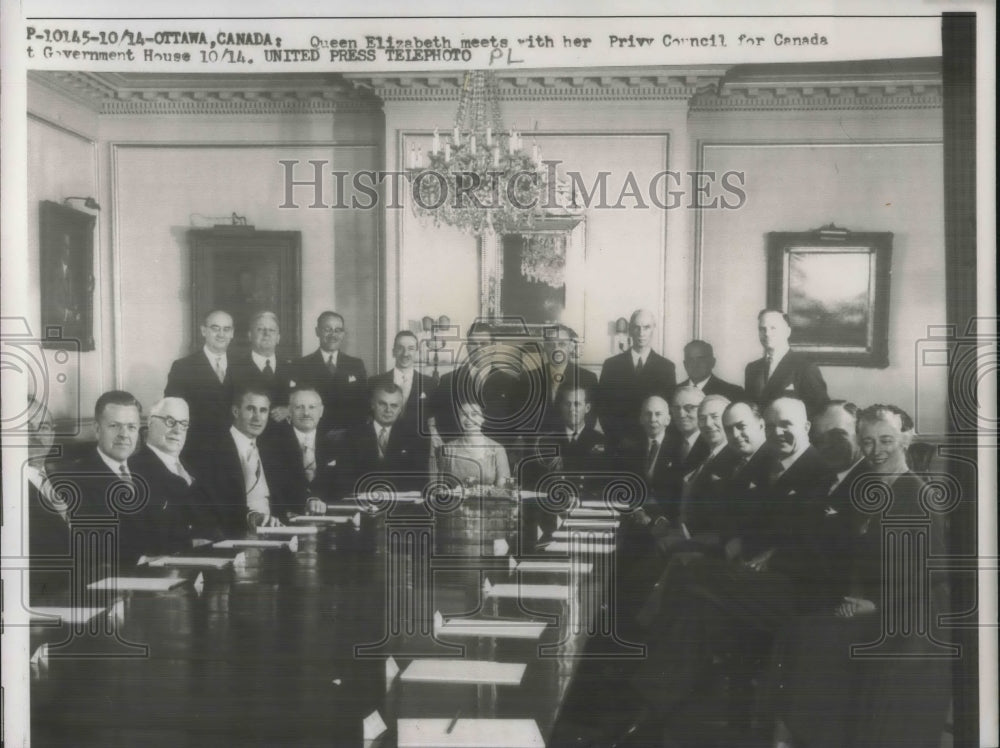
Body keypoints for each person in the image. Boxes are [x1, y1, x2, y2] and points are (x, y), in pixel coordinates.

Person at [771, 404, 951, 748]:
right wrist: (852, 599)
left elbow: (935, 570)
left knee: (817, 640)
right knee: (798, 631)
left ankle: (800, 737)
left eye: (886, 440)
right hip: (869, 604)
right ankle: (792, 736)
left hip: (911, 613)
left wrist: (874, 605)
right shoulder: (867, 488)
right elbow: (856, 557)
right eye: (867, 442)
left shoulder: (919, 495)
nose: (876, 451)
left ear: (905, 440)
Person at [128, 397, 222, 557]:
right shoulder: (135, 470)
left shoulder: (195, 468)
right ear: (150, 421)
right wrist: (190, 543)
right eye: (170, 421)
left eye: (184, 424)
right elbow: (144, 538)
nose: (178, 430)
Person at [190, 386, 288, 535]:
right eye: (250, 409)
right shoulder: (213, 450)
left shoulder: (271, 450)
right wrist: (251, 517)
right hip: (234, 534)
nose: (257, 418)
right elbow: (215, 504)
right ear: (236, 411)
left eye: (263, 411)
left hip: (275, 532)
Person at [523, 383, 608, 541]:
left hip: (586, 514)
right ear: (561, 407)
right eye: (567, 403)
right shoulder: (544, 442)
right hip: (549, 516)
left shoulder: (601, 442)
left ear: (587, 407)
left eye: (577, 404)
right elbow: (532, 483)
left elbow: (604, 485)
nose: (572, 409)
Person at [427, 322, 520, 442]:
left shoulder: (510, 382)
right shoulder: (448, 381)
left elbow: (515, 425)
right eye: (473, 344)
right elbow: (437, 418)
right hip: (458, 456)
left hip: (496, 456)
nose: (478, 348)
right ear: (467, 347)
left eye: (484, 344)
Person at [597, 308, 677, 447]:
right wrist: (619, 439)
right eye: (636, 328)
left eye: (646, 328)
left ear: (653, 329)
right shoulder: (611, 365)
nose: (641, 333)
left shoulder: (666, 367)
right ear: (630, 330)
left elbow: (668, 409)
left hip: (652, 444)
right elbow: (603, 408)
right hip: (618, 444)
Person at [338, 382, 431, 496]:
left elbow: (420, 480)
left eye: (394, 405)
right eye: (382, 404)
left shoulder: (415, 437)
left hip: (403, 505)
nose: (388, 410)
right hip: (364, 503)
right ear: (372, 404)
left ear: (401, 408)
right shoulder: (352, 435)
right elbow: (344, 479)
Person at [164, 309, 236, 457]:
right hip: (196, 450)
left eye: (226, 329)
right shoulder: (183, 367)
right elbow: (173, 412)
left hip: (235, 450)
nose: (221, 334)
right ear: (204, 331)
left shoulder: (242, 366)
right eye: (215, 328)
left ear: (232, 333)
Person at [261, 387, 341, 514]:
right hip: (288, 517)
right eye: (299, 407)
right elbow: (277, 486)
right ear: (290, 412)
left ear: (321, 411)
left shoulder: (336, 444)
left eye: (312, 407)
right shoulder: (273, 445)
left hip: (330, 515)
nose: (306, 413)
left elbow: (340, 485)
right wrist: (307, 500)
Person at [290, 311, 369, 433]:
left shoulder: (356, 365)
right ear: (317, 331)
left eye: (338, 330)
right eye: (327, 329)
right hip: (314, 436)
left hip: (349, 437)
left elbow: (363, 405)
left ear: (343, 334)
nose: (333, 335)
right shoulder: (300, 365)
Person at [745, 309, 828, 415]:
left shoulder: (805, 368)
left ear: (787, 332)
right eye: (762, 329)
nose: (767, 333)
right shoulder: (752, 369)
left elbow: (821, 412)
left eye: (773, 328)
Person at [229, 310, 293, 422]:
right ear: (250, 335)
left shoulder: (291, 368)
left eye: (271, 330)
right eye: (260, 329)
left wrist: (289, 410)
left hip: (284, 436)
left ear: (278, 338)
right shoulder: (234, 369)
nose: (266, 334)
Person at [368, 330, 435, 431]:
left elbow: (432, 420)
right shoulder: (374, 382)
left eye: (411, 349)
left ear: (417, 352)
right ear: (393, 352)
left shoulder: (430, 384)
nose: (405, 353)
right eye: (400, 348)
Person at [433, 401, 511, 487]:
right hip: (456, 500)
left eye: (474, 414)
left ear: (483, 418)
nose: (469, 418)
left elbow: (503, 489)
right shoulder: (447, 450)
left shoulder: (497, 449)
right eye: (464, 414)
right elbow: (441, 488)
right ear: (459, 418)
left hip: (488, 500)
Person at [535, 324, 598, 432]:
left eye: (562, 344)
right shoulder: (528, 378)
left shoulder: (587, 378)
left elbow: (591, 418)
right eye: (551, 345)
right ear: (544, 347)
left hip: (573, 444)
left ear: (571, 347)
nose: (557, 349)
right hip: (539, 444)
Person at [677, 339, 745, 401]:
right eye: (690, 360)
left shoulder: (733, 393)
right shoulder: (674, 392)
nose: (695, 365)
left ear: (712, 362)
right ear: (684, 364)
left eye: (701, 359)